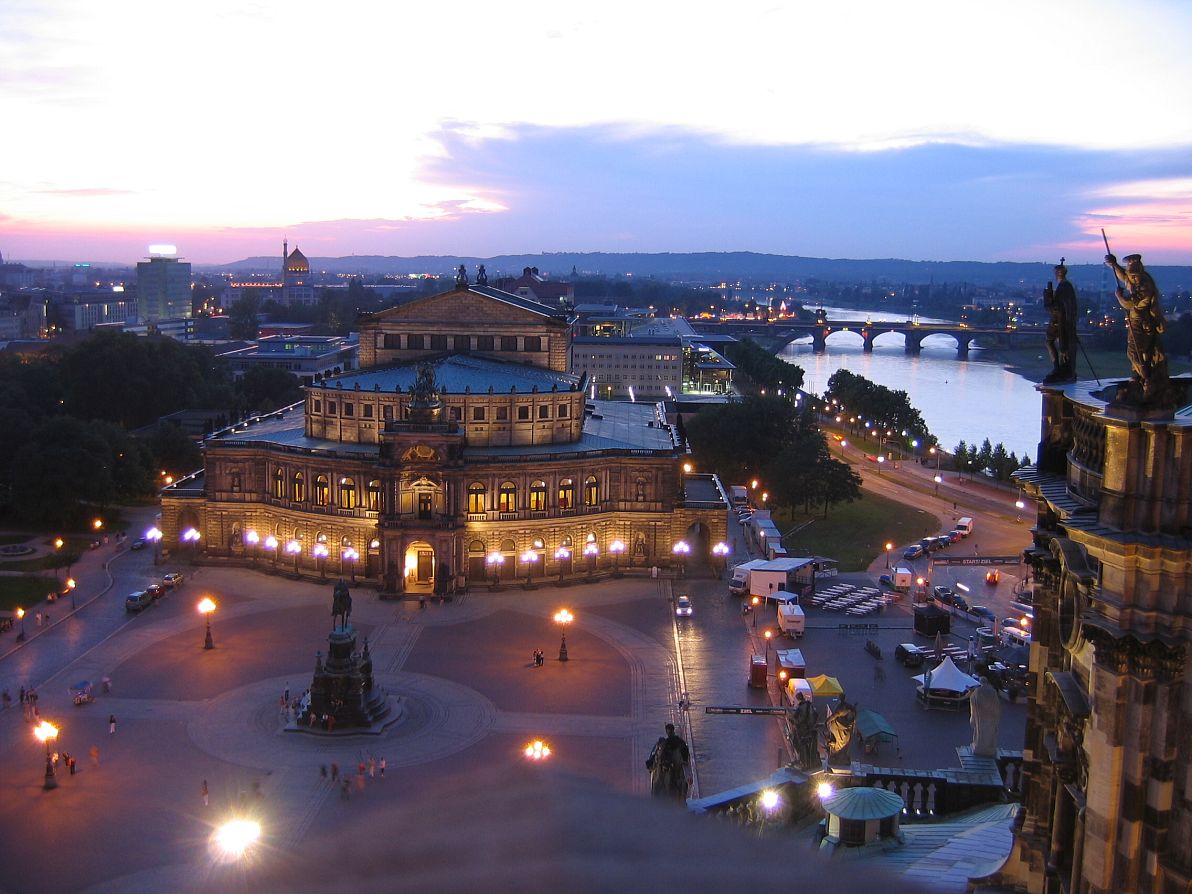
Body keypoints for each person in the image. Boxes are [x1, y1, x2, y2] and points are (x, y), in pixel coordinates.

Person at [1106, 252, 1170, 400]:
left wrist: (1119, 296)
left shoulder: (1144, 284)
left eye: (1132, 274)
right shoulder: (1137, 279)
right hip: (1136, 320)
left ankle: (1147, 379)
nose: (1130, 278)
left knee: (1134, 352)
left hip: (1141, 322)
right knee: (1141, 353)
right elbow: (1124, 277)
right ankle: (1138, 376)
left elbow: (1129, 303)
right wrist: (1114, 265)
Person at [1043, 260, 1078, 383]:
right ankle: (1060, 369)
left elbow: (1056, 307)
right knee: (1056, 344)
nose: (1055, 274)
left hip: (1060, 322)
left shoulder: (1063, 287)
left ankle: (1058, 368)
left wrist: (1047, 298)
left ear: (1058, 273)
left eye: (1056, 272)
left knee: (1050, 342)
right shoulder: (1067, 286)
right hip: (1063, 321)